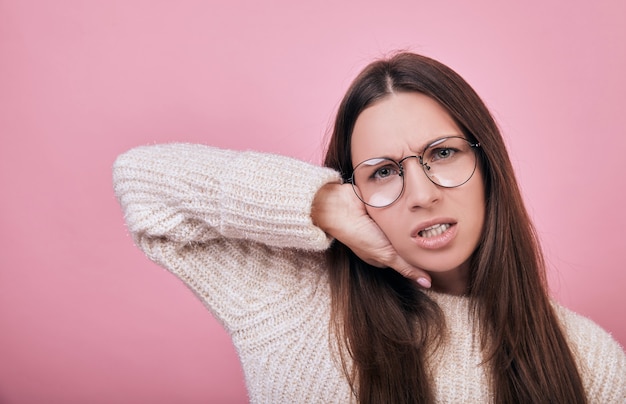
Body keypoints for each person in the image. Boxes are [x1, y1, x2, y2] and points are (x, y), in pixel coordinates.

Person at [113, 52, 626, 403]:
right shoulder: (289, 298)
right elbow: (142, 180)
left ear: (488, 164)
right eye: (383, 171)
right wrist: (323, 205)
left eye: (442, 154)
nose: (422, 194)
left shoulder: (587, 356)